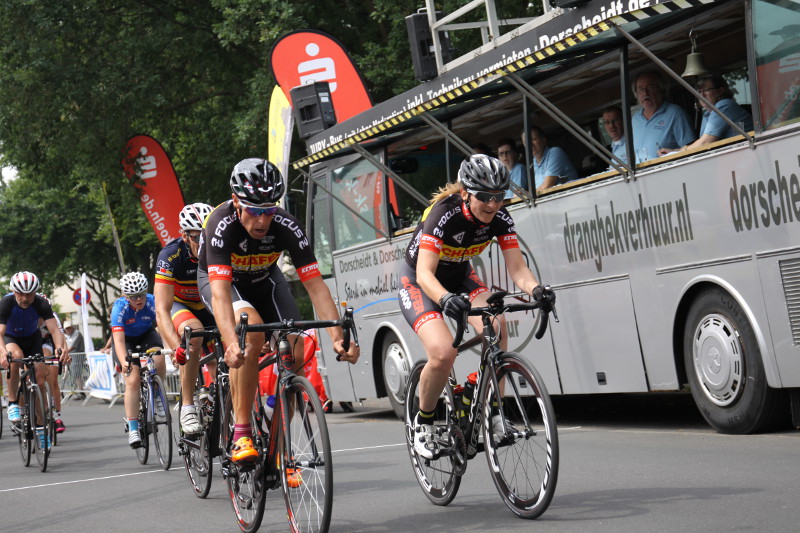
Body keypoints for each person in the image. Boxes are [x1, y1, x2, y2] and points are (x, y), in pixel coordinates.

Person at [197, 158, 360, 464]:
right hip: (222, 283)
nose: (262, 221)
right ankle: (241, 432)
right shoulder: (221, 223)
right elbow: (219, 295)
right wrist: (231, 343)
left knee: (296, 348)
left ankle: (278, 445)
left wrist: (339, 337)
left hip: (264, 279)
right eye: (254, 211)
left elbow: (316, 287)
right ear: (236, 201)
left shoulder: (286, 226)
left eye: (269, 211)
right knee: (251, 333)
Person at [398, 154, 555, 459]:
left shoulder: (500, 218)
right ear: (466, 193)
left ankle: (491, 411)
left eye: (499, 196)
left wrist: (537, 289)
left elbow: (518, 268)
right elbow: (424, 274)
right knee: (444, 352)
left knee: (496, 328)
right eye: (485, 197)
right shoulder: (443, 214)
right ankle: (425, 421)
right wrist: (445, 299)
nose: (493, 204)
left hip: (460, 277)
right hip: (420, 281)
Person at [154, 202, 216, 435]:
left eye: (207, 236)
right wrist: (175, 348)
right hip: (181, 306)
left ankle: (219, 398)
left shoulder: (219, 249)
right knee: (195, 334)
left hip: (209, 303)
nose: (203, 243)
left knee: (225, 351)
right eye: (197, 237)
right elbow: (161, 310)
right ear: (184, 235)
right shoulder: (170, 255)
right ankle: (187, 406)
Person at [0, 272, 69, 449]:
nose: (24, 298)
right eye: (20, 294)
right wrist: (2, 353)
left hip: (33, 339)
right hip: (11, 338)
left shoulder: (41, 303)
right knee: (15, 358)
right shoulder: (6, 303)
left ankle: (40, 428)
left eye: (29, 294)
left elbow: (55, 331)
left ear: (35, 293)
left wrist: (60, 347)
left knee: (39, 379)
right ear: (14, 292)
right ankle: (13, 403)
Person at [110, 271, 165, 448]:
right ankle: (133, 427)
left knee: (159, 357)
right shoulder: (120, 308)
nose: (139, 300)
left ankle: (156, 393)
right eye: (133, 297)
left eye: (141, 295)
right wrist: (124, 361)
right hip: (126, 340)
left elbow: (163, 326)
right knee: (132, 379)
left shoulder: (152, 302)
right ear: (126, 296)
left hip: (146, 335)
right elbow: (118, 340)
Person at [660, 74, 753, 155]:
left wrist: (678, 153)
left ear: (720, 90)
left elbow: (705, 142)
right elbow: (702, 144)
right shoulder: (707, 114)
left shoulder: (725, 105)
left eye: (707, 90)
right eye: (699, 92)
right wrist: (675, 151)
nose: (702, 95)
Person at [631, 70, 695, 162]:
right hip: (641, 175)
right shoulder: (635, 119)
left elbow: (691, 149)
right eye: (641, 89)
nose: (645, 93)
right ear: (636, 94)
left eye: (650, 87)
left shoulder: (675, 113)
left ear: (661, 89)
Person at [521, 126, 578, 193]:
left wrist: (527, 194)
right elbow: (537, 189)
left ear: (544, 140)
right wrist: (523, 194)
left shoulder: (555, 152)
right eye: (526, 142)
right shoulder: (532, 163)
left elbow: (546, 186)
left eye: (534, 139)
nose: (530, 144)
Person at [39, 309, 67, 433]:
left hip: (48, 343)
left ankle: (57, 415)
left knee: (53, 379)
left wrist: (65, 352)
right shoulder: (25, 313)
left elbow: (60, 336)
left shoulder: (52, 316)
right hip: (28, 344)